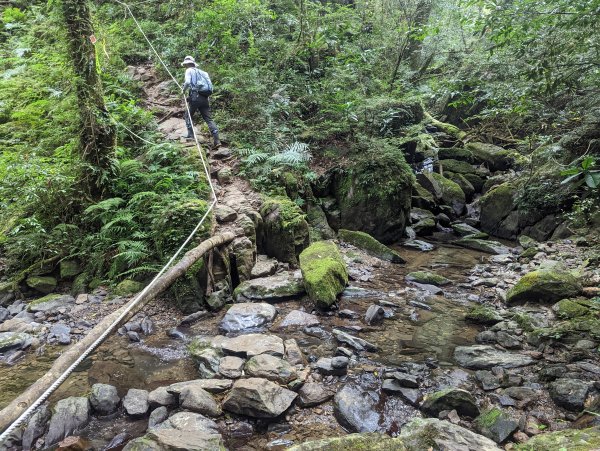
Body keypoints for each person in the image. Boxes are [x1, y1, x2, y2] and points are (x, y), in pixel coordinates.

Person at [181, 56, 220, 147]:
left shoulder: (189, 70)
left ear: (187, 64)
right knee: (208, 119)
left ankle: (191, 136)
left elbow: (187, 82)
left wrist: (183, 90)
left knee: (188, 115)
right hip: (205, 98)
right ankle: (217, 140)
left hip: (196, 97)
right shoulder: (203, 73)